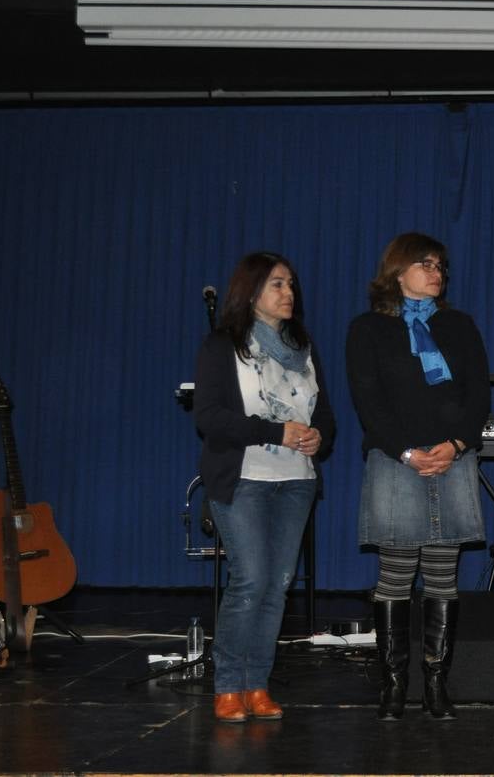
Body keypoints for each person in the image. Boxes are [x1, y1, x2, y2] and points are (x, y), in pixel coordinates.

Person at [346, 233, 490, 721]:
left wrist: (456, 444)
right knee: (395, 575)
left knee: (443, 577)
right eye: (425, 264)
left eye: (440, 266)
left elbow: (477, 399)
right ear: (397, 269)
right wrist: (407, 451)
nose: (436, 273)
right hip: (395, 462)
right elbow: (369, 402)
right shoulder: (368, 329)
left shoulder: (459, 325)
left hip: (452, 459)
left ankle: (435, 685)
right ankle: (392, 686)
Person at [194, 251, 335, 723]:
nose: (288, 293)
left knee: (277, 585)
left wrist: (319, 436)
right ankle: (228, 685)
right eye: (277, 284)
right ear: (251, 292)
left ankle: (258, 684)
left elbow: (327, 419)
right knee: (250, 581)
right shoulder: (222, 346)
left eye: (291, 284)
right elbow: (209, 418)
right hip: (245, 479)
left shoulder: (304, 348)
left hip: (296, 481)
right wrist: (276, 432)